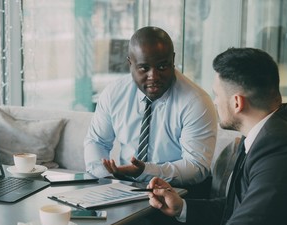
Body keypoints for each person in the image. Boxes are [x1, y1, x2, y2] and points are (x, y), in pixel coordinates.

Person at [139, 47, 287, 225]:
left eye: (217, 95)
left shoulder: (281, 148)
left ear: (237, 102)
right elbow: (241, 208)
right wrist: (182, 207)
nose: (215, 101)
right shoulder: (266, 132)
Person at [84, 26, 217, 197]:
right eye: (144, 68)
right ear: (130, 63)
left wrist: (145, 171)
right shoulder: (114, 93)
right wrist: (106, 176)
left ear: (173, 60)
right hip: (125, 187)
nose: (153, 76)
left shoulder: (195, 102)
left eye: (162, 66)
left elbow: (196, 167)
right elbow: (97, 142)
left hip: (179, 193)